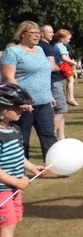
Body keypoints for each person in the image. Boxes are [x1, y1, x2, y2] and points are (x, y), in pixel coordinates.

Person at [0, 83, 45, 237]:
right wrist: (15, 181)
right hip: (2, 190)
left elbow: (20, 156)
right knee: (6, 226)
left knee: (13, 221)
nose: (21, 110)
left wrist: (32, 167)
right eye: (16, 107)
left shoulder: (14, 129)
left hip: (13, 189)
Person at [0, 21, 56, 160]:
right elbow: (8, 77)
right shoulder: (13, 52)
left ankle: (55, 165)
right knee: (22, 138)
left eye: (39, 33)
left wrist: (49, 95)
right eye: (33, 33)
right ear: (23, 34)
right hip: (23, 105)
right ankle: (20, 170)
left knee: (48, 134)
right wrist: (22, 100)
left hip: (44, 102)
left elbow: (44, 74)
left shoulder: (40, 50)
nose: (37, 36)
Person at [38, 26, 68, 140]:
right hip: (54, 80)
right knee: (61, 110)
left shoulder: (42, 47)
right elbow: (51, 67)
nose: (52, 34)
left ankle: (62, 137)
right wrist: (62, 67)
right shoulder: (46, 47)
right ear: (42, 33)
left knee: (61, 111)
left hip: (52, 81)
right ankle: (51, 135)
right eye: (50, 32)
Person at [53, 29, 79, 106]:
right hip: (63, 64)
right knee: (71, 80)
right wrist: (72, 62)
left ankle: (69, 97)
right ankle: (70, 98)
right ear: (62, 39)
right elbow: (64, 57)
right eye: (68, 39)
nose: (69, 40)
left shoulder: (57, 45)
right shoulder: (60, 46)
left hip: (62, 64)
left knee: (70, 80)